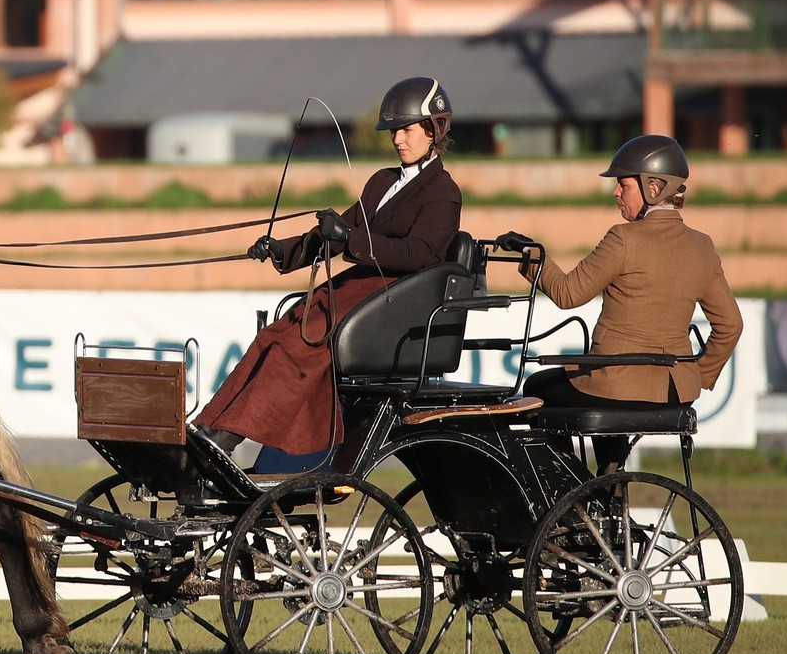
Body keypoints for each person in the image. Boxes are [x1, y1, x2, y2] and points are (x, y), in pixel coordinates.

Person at [194, 77, 465, 464]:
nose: (397, 140)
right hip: (355, 292)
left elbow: (420, 254)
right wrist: (282, 250)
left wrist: (351, 239)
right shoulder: (382, 181)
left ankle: (226, 438)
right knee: (272, 336)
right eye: (394, 132)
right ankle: (208, 429)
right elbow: (338, 234)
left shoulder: (443, 191)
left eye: (406, 130)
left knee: (294, 347)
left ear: (433, 130)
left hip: (395, 302)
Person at [503, 134, 742, 468]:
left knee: (537, 388)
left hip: (617, 385)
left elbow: (569, 294)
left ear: (653, 188)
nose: (616, 192)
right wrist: (697, 375)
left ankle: (572, 483)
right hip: (676, 391)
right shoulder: (702, 246)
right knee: (605, 386)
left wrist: (532, 257)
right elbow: (731, 325)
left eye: (624, 185)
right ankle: (609, 484)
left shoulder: (623, 238)